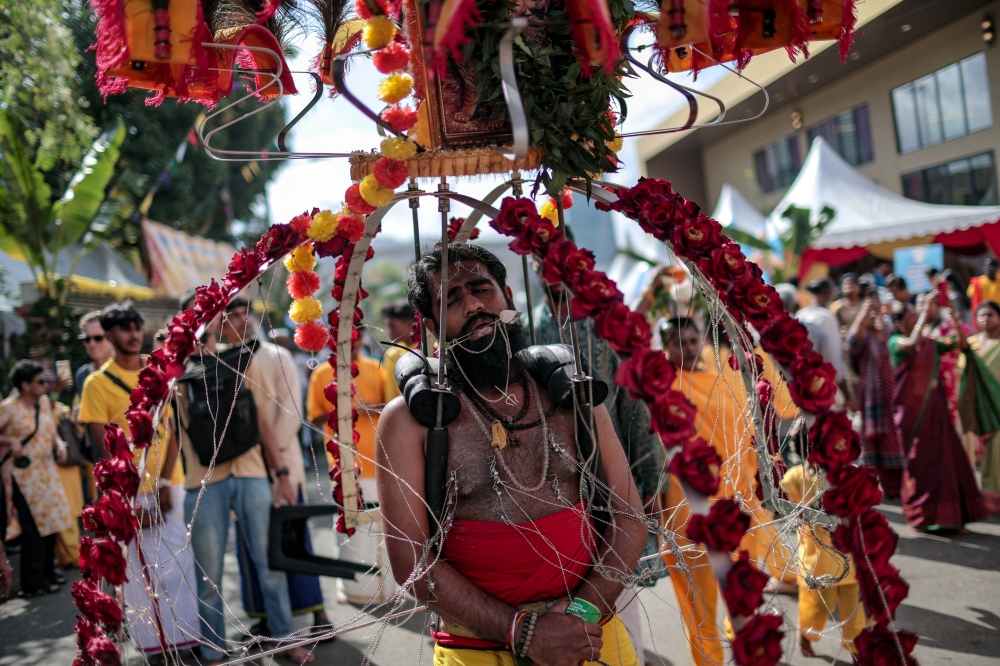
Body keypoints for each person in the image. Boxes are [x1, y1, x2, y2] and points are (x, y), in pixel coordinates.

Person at [376, 244, 647, 666]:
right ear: (431, 327)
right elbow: (408, 558)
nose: (474, 306)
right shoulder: (409, 423)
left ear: (509, 297)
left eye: (482, 289)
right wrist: (519, 631)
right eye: (452, 300)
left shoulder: (572, 394)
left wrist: (580, 613)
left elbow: (629, 516)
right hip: (479, 647)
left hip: (588, 633)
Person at [535, 260, 665, 660]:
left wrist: (651, 482)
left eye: (557, 263)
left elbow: (633, 410)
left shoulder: (599, 329)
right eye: (542, 266)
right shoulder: (524, 329)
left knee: (616, 598)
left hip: (609, 491)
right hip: (547, 497)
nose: (550, 274)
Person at [173, 301, 314, 665]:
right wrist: (158, 483)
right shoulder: (175, 371)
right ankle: (213, 649)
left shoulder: (241, 359)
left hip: (252, 476)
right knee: (209, 576)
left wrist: (281, 475)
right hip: (202, 483)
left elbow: (264, 422)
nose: (210, 319)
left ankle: (285, 640)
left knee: (270, 566)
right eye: (199, 314)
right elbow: (173, 433)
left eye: (211, 313)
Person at [658, 318, 795, 666]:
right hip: (687, 511)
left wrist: (751, 331)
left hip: (736, 504)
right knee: (699, 604)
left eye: (692, 340)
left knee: (743, 595)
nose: (687, 348)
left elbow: (783, 407)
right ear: (664, 348)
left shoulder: (726, 372)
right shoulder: (660, 385)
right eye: (677, 342)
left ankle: (746, 647)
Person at [79, 302, 200, 657]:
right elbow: (104, 449)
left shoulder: (158, 370)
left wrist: (163, 485)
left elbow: (172, 429)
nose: (133, 335)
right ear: (111, 335)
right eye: (123, 329)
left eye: (136, 327)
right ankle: (155, 651)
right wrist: (128, 504)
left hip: (168, 486)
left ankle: (188, 645)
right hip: (128, 494)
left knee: (178, 566)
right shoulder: (95, 384)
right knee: (139, 575)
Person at [217, 298, 331, 638]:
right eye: (232, 316)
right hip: (243, 471)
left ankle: (319, 615)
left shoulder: (277, 356)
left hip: (279, 467)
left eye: (245, 313)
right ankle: (265, 617)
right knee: (252, 548)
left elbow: (292, 415)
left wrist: (272, 460)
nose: (242, 321)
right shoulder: (221, 362)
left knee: (293, 542)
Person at [307, 331, 397, 604]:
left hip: (378, 461)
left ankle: (387, 589)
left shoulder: (376, 368)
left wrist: (369, 407)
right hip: (344, 464)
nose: (350, 344)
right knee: (350, 526)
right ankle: (352, 590)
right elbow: (314, 416)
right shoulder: (322, 374)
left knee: (382, 526)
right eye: (342, 339)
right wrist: (342, 407)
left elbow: (392, 405)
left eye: (354, 338)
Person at [889, 296, 986, 531]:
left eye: (915, 316)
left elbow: (961, 344)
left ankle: (953, 518)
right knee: (920, 463)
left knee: (948, 460)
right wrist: (923, 313)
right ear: (900, 324)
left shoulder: (932, 342)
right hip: (913, 414)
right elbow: (912, 343)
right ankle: (921, 518)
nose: (914, 320)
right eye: (910, 318)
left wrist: (953, 315)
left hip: (936, 408)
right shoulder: (896, 341)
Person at [0, 360, 71, 597]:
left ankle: (48, 573)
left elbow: (50, 429)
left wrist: (59, 444)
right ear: (25, 385)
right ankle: (33, 583)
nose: (46, 385)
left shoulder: (42, 402)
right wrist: (11, 441)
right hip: (23, 476)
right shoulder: (9, 407)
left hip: (46, 471)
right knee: (33, 530)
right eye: (41, 382)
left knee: (52, 523)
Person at [780, 464, 865, 657]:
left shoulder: (851, 474)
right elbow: (779, 498)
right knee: (815, 608)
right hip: (818, 562)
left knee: (854, 611)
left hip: (851, 560)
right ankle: (807, 635)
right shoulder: (798, 476)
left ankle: (857, 650)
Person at [845, 294, 904, 498]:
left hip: (896, 397)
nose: (876, 318)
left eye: (879, 313)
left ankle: (898, 487)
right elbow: (851, 344)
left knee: (897, 438)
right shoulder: (864, 338)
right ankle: (878, 489)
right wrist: (863, 314)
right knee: (875, 442)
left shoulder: (892, 334)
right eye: (872, 315)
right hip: (873, 400)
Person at [778, 283, 850, 407]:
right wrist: (848, 397)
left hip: (776, 402)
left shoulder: (759, 333)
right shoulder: (817, 326)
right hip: (810, 398)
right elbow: (833, 366)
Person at [966, 300, 1000, 514]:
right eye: (981, 315)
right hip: (973, 405)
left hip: (997, 406)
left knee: (996, 452)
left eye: (990, 314)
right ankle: (981, 500)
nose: (986, 318)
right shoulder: (970, 343)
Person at [380, 300, 419, 402]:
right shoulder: (392, 354)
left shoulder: (433, 348)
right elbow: (392, 396)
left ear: (410, 323)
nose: (389, 332)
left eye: (392, 326)